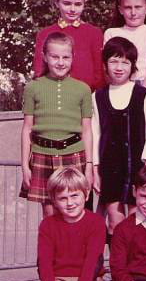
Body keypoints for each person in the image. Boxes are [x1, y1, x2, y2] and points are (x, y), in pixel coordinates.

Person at [20, 32, 93, 217]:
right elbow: (27, 128)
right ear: (45, 57)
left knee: (74, 213)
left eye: (65, 57)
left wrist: (89, 166)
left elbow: (87, 130)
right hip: (42, 155)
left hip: (74, 156)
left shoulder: (83, 89)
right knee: (50, 214)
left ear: (73, 57)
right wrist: (24, 166)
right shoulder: (32, 87)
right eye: (54, 57)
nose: (60, 62)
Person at [92, 37, 146, 235]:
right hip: (110, 168)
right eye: (114, 61)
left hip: (137, 167)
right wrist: (95, 169)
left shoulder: (143, 94)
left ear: (133, 66)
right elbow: (96, 134)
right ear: (105, 64)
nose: (119, 67)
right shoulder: (98, 96)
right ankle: (117, 256)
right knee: (115, 222)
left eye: (125, 62)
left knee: (137, 221)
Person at [33, 0, 105, 91]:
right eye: (67, 3)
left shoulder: (94, 33)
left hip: (87, 95)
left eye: (78, 4)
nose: (72, 9)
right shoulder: (45, 34)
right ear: (56, 2)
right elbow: (39, 70)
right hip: (54, 94)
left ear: (84, 3)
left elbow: (99, 73)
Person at [104, 0, 146, 89]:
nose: (133, 13)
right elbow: (107, 68)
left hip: (143, 86)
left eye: (138, 7)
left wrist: (141, 94)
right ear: (120, 10)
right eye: (128, 7)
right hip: (117, 86)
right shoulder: (111, 33)